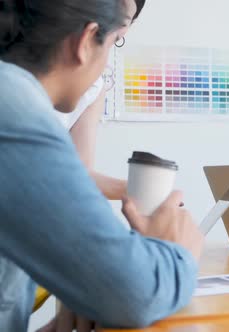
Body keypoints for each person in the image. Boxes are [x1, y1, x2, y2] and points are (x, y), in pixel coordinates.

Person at [0, 1, 204, 331]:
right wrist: (176, 250)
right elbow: (136, 293)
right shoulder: (15, 112)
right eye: (113, 43)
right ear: (86, 41)